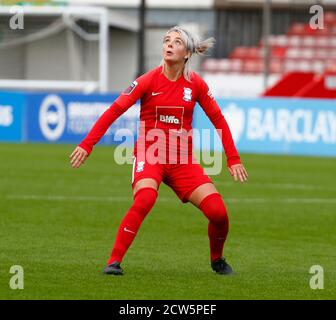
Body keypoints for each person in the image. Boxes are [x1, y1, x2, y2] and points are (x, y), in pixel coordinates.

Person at [70, 26, 248, 276]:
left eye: (176, 41)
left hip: (182, 161)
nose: (169, 44)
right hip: (149, 155)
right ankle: (113, 262)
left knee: (218, 213)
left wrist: (233, 159)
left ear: (187, 53)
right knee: (145, 198)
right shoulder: (147, 80)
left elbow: (218, 119)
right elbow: (114, 111)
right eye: (166, 40)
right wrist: (87, 144)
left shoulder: (195, 84)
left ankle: (217, 259)